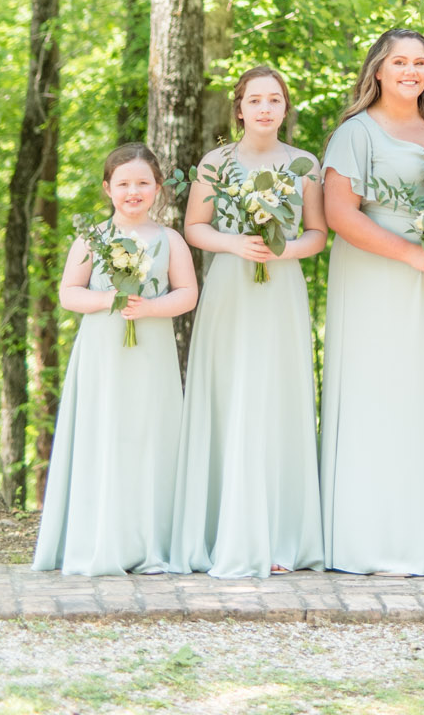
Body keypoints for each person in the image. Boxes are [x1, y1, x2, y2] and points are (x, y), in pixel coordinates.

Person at [320, 28, 424, 574]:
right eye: (399, 62)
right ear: (378, 71)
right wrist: (410, 255)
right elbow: (341, 214)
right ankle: (376, 540)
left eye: (420, 62)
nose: (411, 71)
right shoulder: (357, 134)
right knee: (383, 398)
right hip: (380, 281)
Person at [171, 65, 326, 577]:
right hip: (230, 290)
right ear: (239, 109)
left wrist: (282, 253)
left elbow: (317, 234)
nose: (264, 109)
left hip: (281, 291)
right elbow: (194, 228)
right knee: (229, 394)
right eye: (254, 100)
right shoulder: (216, 162)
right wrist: (236, 243)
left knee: (276, 397)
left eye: (274, 100)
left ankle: (280, 538)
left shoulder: (304, 164)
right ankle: (221, 534)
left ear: (285, 108)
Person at [34, 144, 198, 575]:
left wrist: (149, 308)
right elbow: (69, 293)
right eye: (123, 183)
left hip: (152, 352)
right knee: (105, 433)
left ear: (158, 188)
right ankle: (99, 537)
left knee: (149, 435)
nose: (133, 192)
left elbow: (187, 294)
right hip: (104, 352)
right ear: (108, 188)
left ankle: (150, 541)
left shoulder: (170, 239)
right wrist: (110, 298)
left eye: (143, 183)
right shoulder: (93, 238)